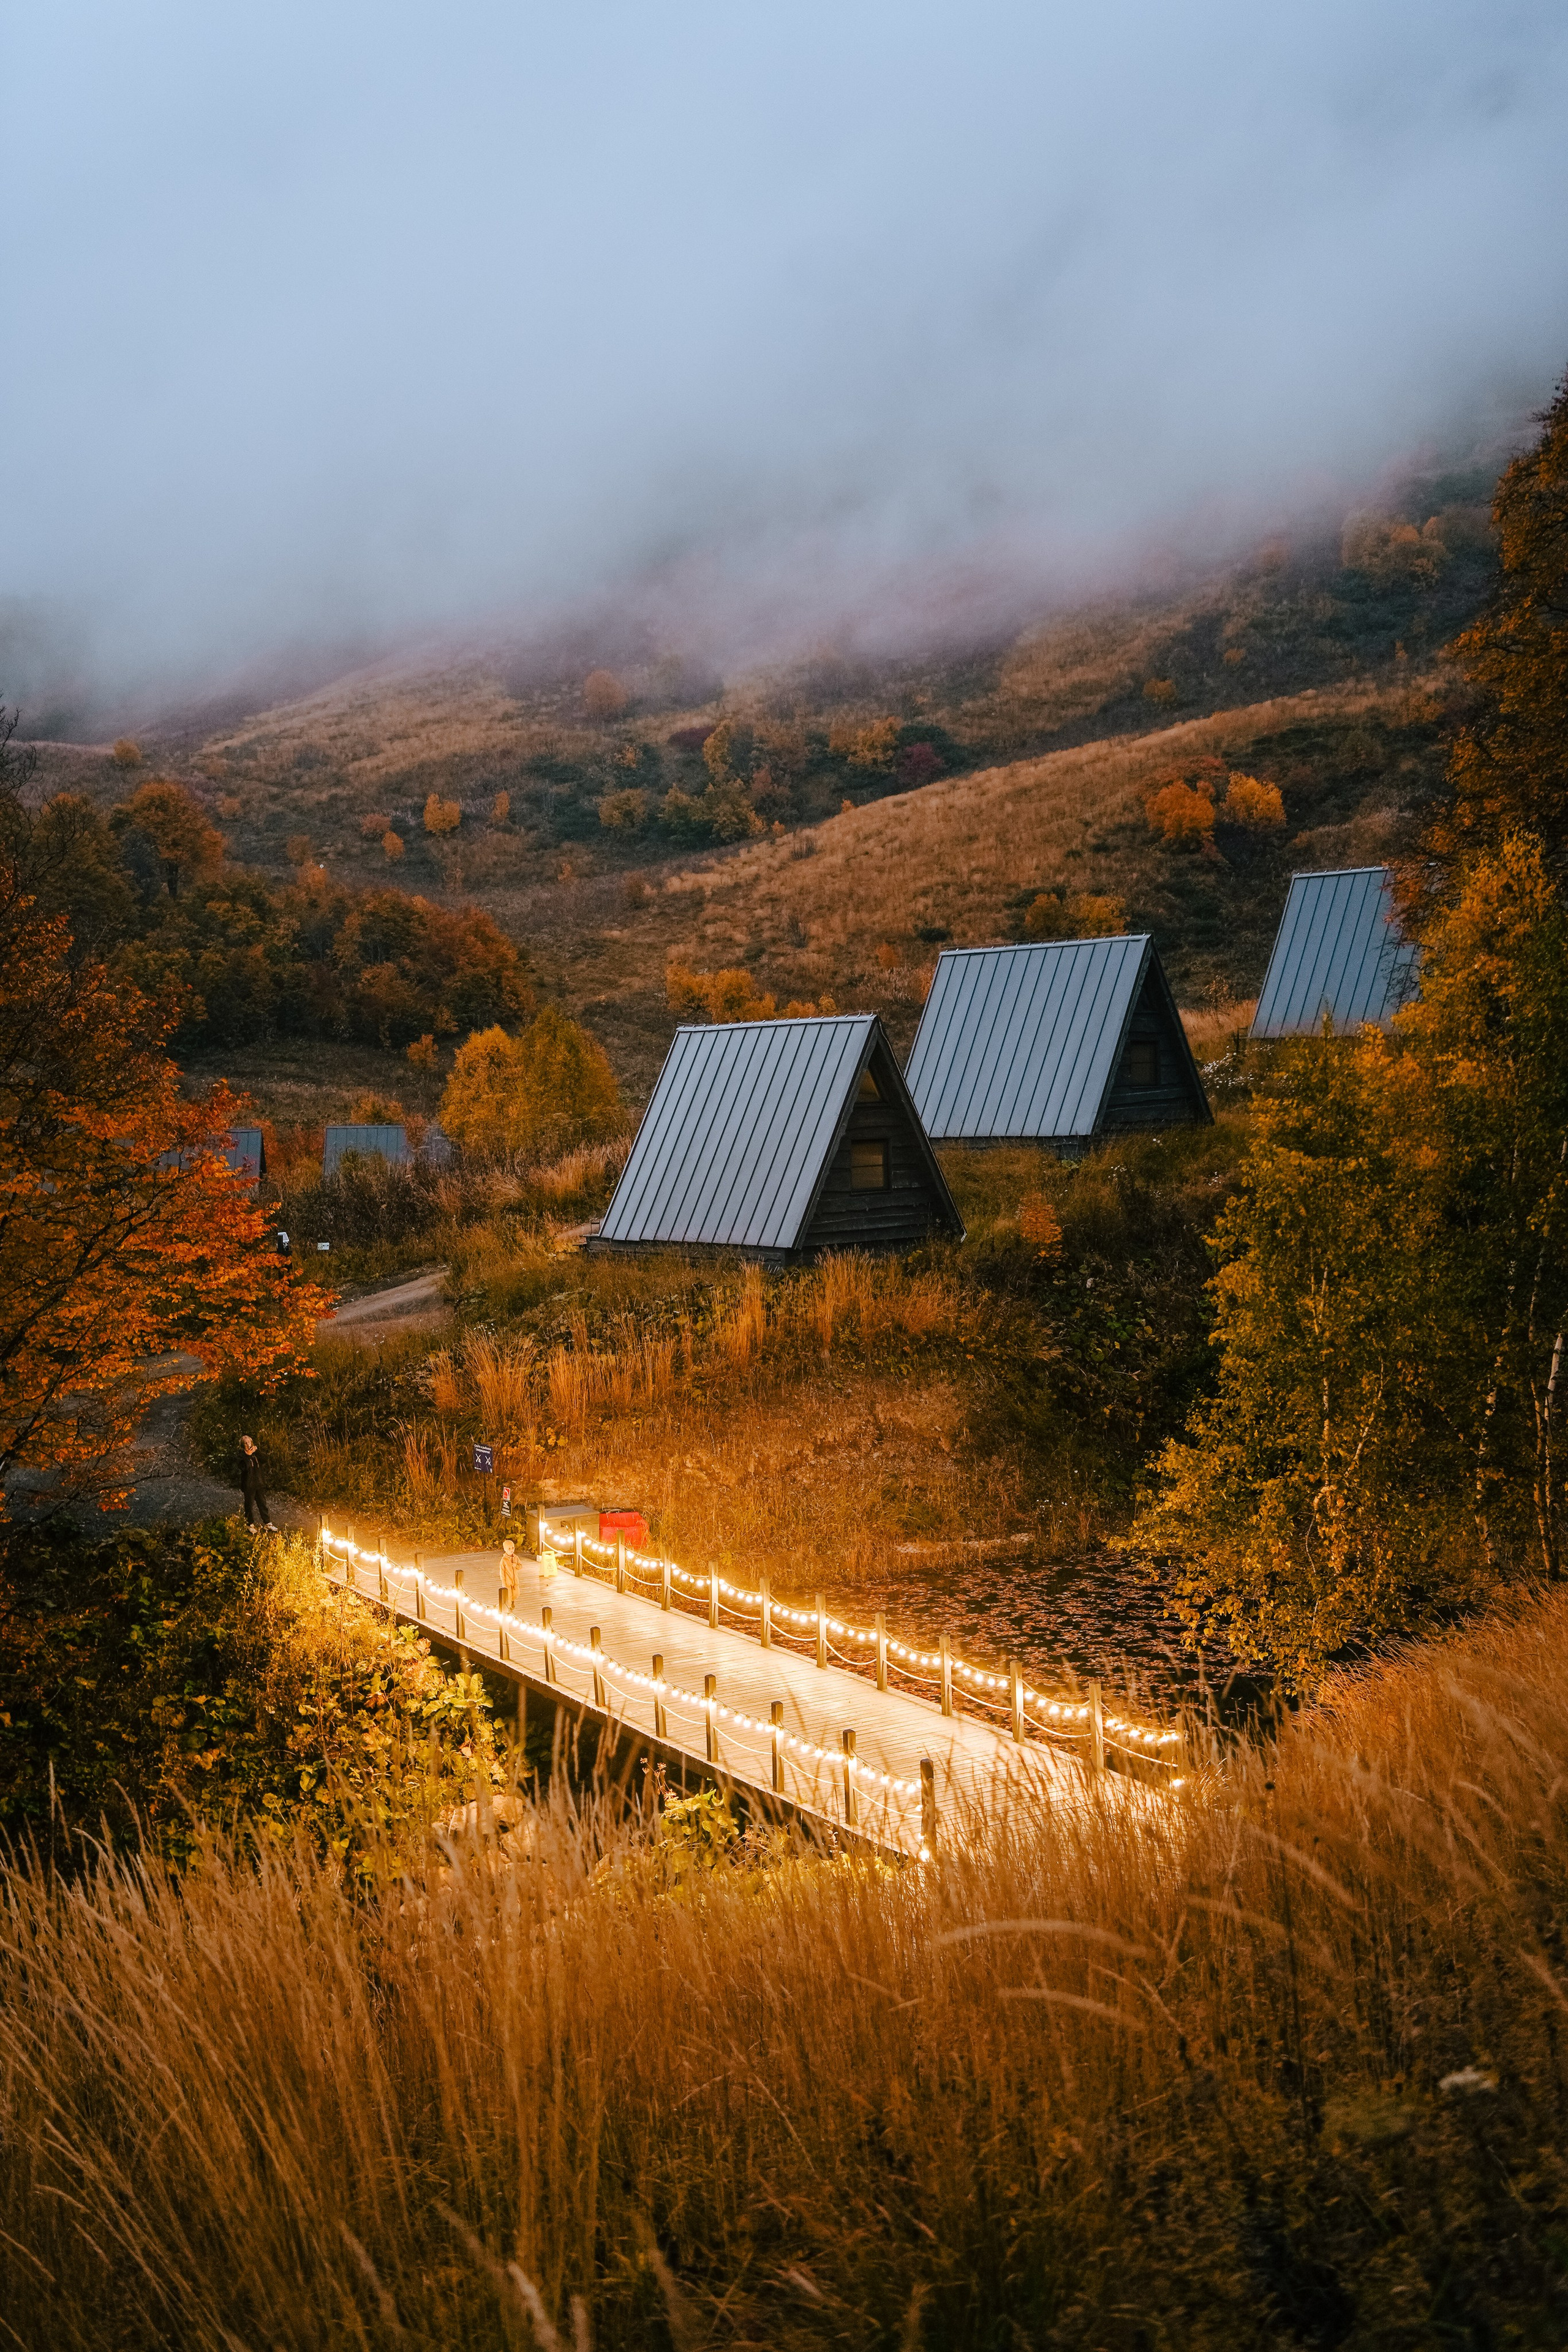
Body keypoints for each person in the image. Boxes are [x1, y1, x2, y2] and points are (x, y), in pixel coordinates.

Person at [238, 1434, 277, 1532]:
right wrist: (247, 1456)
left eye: (249, 1442)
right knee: (249, 1505)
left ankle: (267, 1523)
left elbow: (265, 1459)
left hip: (259, 1483)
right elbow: (244, 1468)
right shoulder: (241, 1456)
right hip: (249, 1485)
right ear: (243, 1445)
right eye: (246, 1443)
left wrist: (257, 1451)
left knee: (263, 1504)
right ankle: (249, 1524)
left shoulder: (256, 1454)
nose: (248, 1444)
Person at [499, 1537, 519, 1615]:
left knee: (516, 1593)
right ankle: (509, 1607)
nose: (511, 1550)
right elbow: (502, 1572)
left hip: (515, 1580)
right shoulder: (504, 1560)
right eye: (509, 1548)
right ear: (506, 1550)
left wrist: (516, 1565)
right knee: (509, 1595)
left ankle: (513, 1602)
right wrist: (503, 1581)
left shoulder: (516, 1558)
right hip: (508, 1580)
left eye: (512, 1548)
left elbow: (520, 1566)